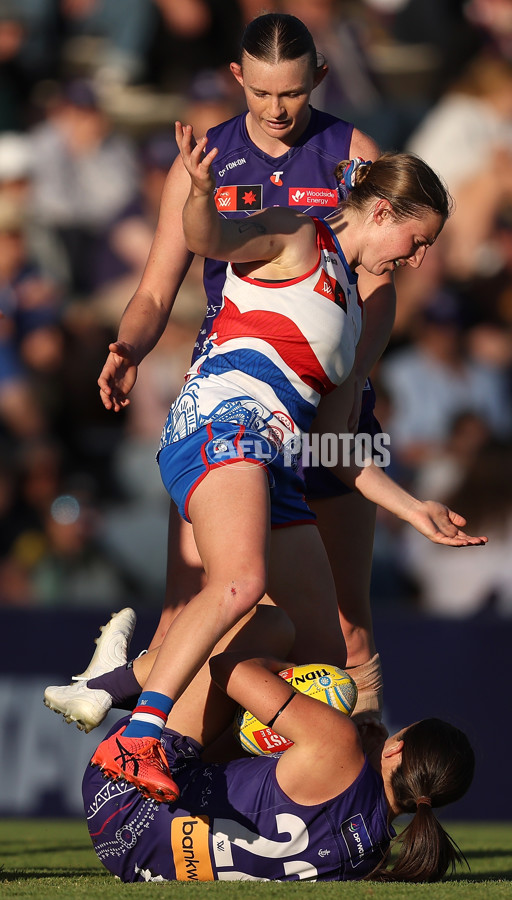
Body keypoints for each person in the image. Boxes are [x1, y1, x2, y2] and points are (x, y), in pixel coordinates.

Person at [88, 118, 487, 803]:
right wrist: (200, 191)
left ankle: (147, 712)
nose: (418, 259)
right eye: (416, 241)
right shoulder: (298, 237)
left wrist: (412, 508)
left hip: (278, 459)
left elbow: (336, 444)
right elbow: (208, 236)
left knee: (322, 653)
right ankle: (138, 736)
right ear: (383, 211)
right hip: (222, 422)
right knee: (241, 585)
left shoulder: (360, 312)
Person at [95, 12, 398, 723]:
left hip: (335, 410)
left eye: (291, 92)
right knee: (194, 609)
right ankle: (177, 785)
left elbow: (380, 290)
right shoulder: (205, 161)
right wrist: (128, 348)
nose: (277, 109)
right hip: (233, 408)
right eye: (261, 93)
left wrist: (352, 383)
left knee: (349, 624)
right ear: (238, 78)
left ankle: (363, 802)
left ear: (319, 77)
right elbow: (154, 289)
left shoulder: (355, 154)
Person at [82, 606, 475, 883]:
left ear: (395, 749)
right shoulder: (371, 857)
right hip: (135, 861)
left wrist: (293, 678)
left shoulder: (338, 743)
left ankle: (105, 685)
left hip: (124, 793)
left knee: (269, 624)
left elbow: (226, 668)